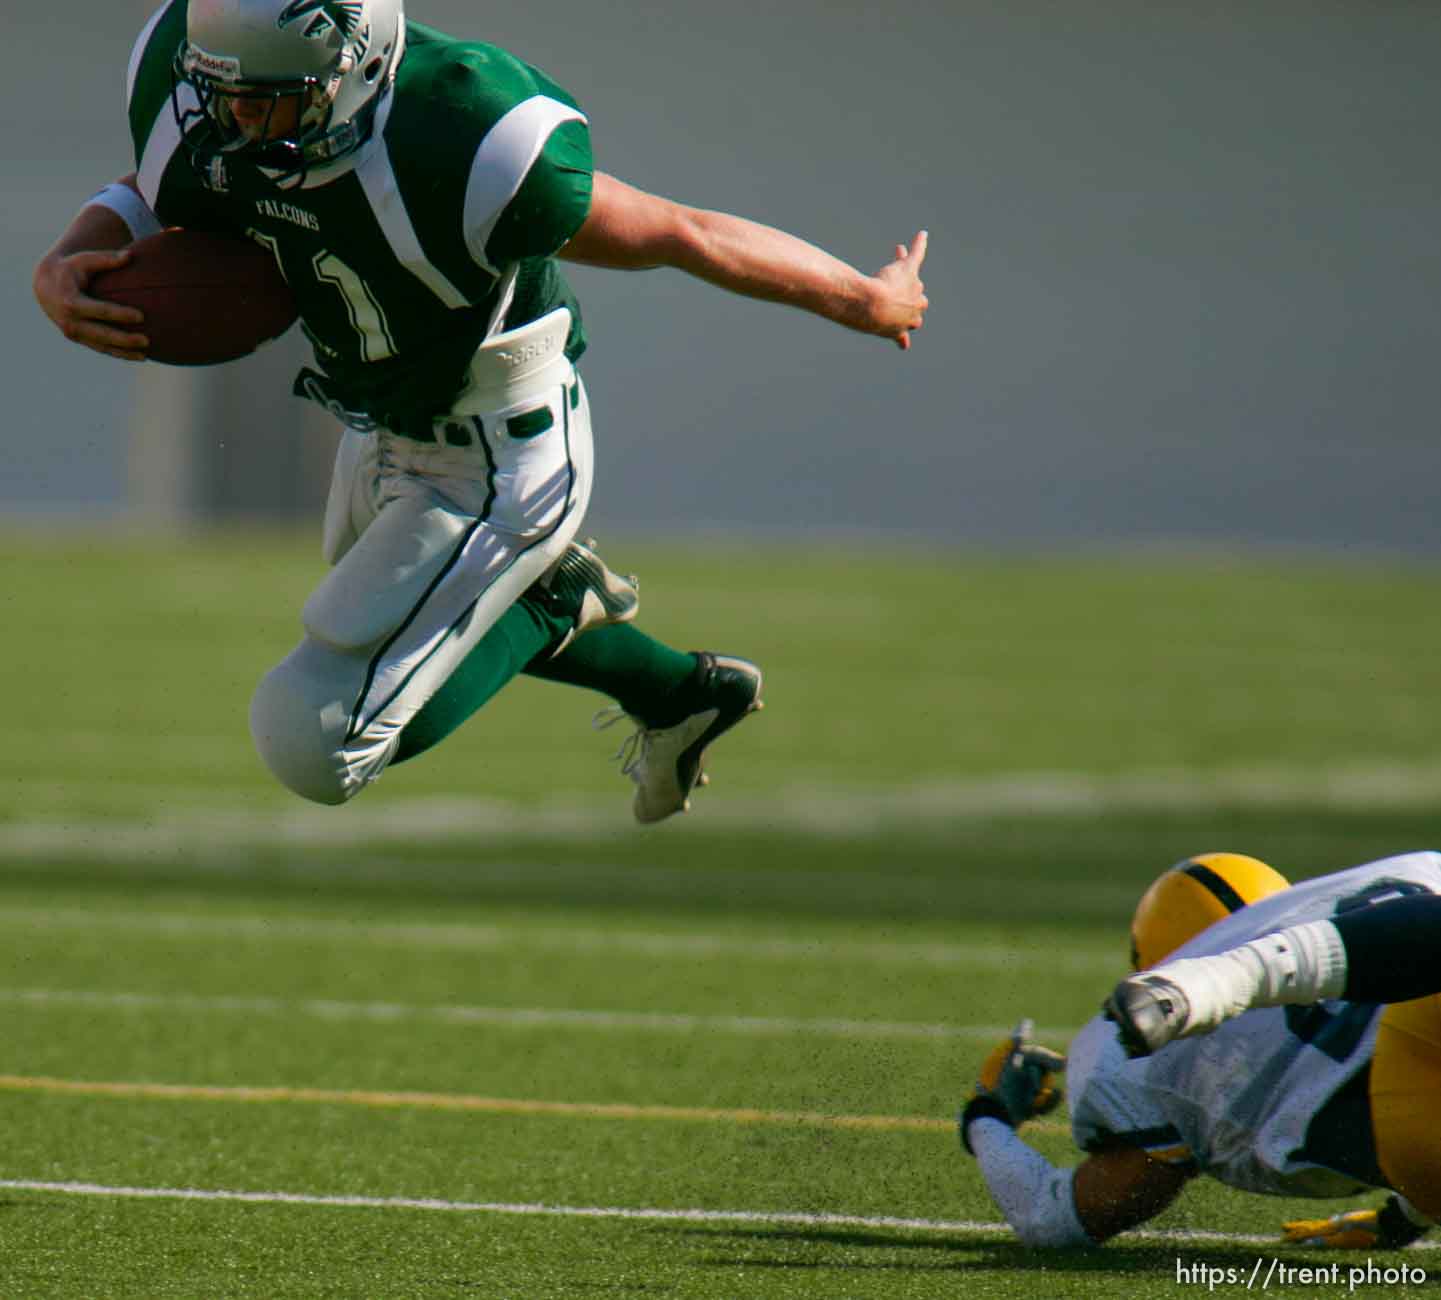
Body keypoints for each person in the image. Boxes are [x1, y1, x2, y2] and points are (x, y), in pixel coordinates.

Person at [33, 0, 928, 820]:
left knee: (318, 737)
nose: (231, 123)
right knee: (422, 634)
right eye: (218, 97)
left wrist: (859, 297)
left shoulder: (469, 144)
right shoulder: (199, 79)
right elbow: (163, 183)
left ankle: (546, 597)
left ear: (355, 71)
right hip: (381, 416)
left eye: (265, 103)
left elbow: (675, 232)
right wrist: (74, 253)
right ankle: (676, 690)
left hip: (499, 449)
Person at [958, 850, 1441, 1250]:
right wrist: (1406, 1215)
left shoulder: (1132, 1057)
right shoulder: (1421, 868)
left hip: (1406, 1128)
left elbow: (1052, 1217)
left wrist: (987, 1115)